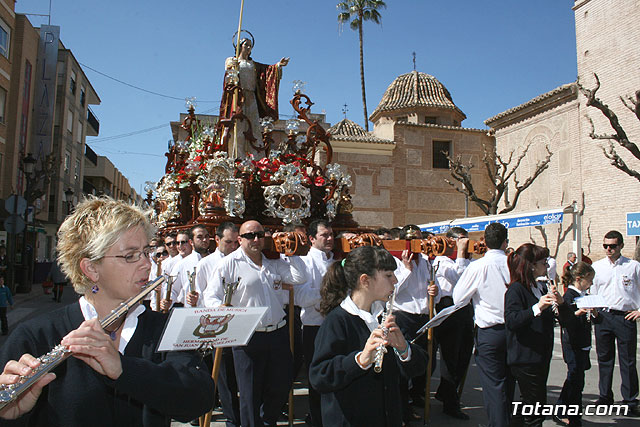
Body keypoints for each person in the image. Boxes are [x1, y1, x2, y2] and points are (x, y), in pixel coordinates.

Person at [0, 196, 214, 426]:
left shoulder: (165, 328)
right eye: (130, 255)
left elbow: (199, 398)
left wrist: (124, 369)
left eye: (146, 252)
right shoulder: (35, 335)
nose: (147, 264)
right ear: (91, 268)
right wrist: (12, 416)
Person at [203, 220, 307, 427]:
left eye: (260, 235)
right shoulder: (229, 264)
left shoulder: (274, 262)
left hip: (277, 333)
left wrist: (292, 253)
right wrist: (221, 310)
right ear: (240, 239)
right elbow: (211, 296)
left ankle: (267, 421)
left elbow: (299, 277)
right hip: (248, 335)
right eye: (250, 236)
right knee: (250, 391)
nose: (256, 240)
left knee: (281, 383)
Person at [309, 246, 427, 426]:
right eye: (388, 275)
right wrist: (360, 360)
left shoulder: (383, 316)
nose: (395, 280)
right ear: (365, 280)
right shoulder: (337, 321)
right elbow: (319, 377)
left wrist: (404, 349)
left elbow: (417, 367)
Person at [452, 222, 513, 427]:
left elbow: (459, 298)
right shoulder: (514, 264)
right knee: (510, 383)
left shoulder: (478, 267)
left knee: (494, 386)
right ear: (505, 242)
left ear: (484, 242)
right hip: (515, 330)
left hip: (490, 331)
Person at [504, 244, 562, 426]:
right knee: (536, 408)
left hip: (540, 353)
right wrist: (537, 307)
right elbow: (512, 320)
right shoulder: (516, 289)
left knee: (527, 405)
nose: (547, 266)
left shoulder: (538, 286)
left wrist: (557, 305)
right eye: (543, 262)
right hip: (526, 357)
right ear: (531, 265)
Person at [391, 225, 438, 423]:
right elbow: (392, 291)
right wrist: (406, 270)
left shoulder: (427, 261)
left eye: (419, 239)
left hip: (424, 316)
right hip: (404, 316)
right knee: (403, 367)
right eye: (412, 240)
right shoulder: (394, 261)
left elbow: (430, 288)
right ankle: (402, 409)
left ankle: (416, 396)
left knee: (427, 361)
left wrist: (435, 292)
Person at [196, 222, 240, 427]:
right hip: (218, 326)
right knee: (223, 378)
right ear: (217, 240)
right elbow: (202, 298)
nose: (233, 246)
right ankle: (233, 419)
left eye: (236, 242)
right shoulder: (206, 264)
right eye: (228, 242)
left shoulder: (241, 260)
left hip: (240, 325)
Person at [591, 230, 640, 415]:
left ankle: (630, 399)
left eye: (612, 246)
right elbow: (593, 291)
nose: (609, 249)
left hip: (624, 316)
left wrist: (639, 311)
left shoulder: (633, 266)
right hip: (603, 316)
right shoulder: (598, 266)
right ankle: (605, 396)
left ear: (621, 246)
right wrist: (593, 308)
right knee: (604, 359)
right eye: (605, 246)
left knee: (627, 360)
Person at [294, 219, 335, 427]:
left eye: (331, 234)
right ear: (311, 239)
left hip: (336, 325)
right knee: (317, 379)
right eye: (324, 235)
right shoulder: (304, 262)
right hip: (314, 327)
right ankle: (317, 419)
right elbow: (301, 297)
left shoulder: (337, 260)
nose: (329, 239)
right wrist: (328, 294)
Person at [220, 37, 289, 159]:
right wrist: (232, 66)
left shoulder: (253, 65)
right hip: (238, 98)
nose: (248, 47)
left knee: (253, 125)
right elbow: (228, 72)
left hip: (251, 97)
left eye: (250, 46)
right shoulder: (233, 61)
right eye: (246, 45)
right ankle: (236, 155)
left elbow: (267, 71)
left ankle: (256, 156)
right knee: (238, 125)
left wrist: (278, 66)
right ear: (239, 46)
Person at [433, 226, 473, 419]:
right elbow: (460, 277)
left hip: (465, 308)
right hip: (448, 308)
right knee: (451, 357)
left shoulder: (465, 260)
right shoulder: (441, 261)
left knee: (464, 354)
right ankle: (450, 401)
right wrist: (461, 254)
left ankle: (447, 392)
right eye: (460, 240)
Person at [555, 261, 599, 427]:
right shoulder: (569, 296)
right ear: (579, 279)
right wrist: (579, 312)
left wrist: (594, 312)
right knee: (575, 379)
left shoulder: (585, 295)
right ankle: (570, 413)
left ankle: (563, 408)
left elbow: (597, 319)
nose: (591, 284)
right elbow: (566, 320)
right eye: (589, 280)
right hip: (573, 343)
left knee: (576, 378)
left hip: (583, 342)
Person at [173, 225, 212, 308]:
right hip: (192, 311)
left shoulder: (216, 261)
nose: (204, 240)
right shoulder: (182, 265)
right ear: (191, 242)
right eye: (200, 237)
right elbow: (173, 290)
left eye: (206, 237)